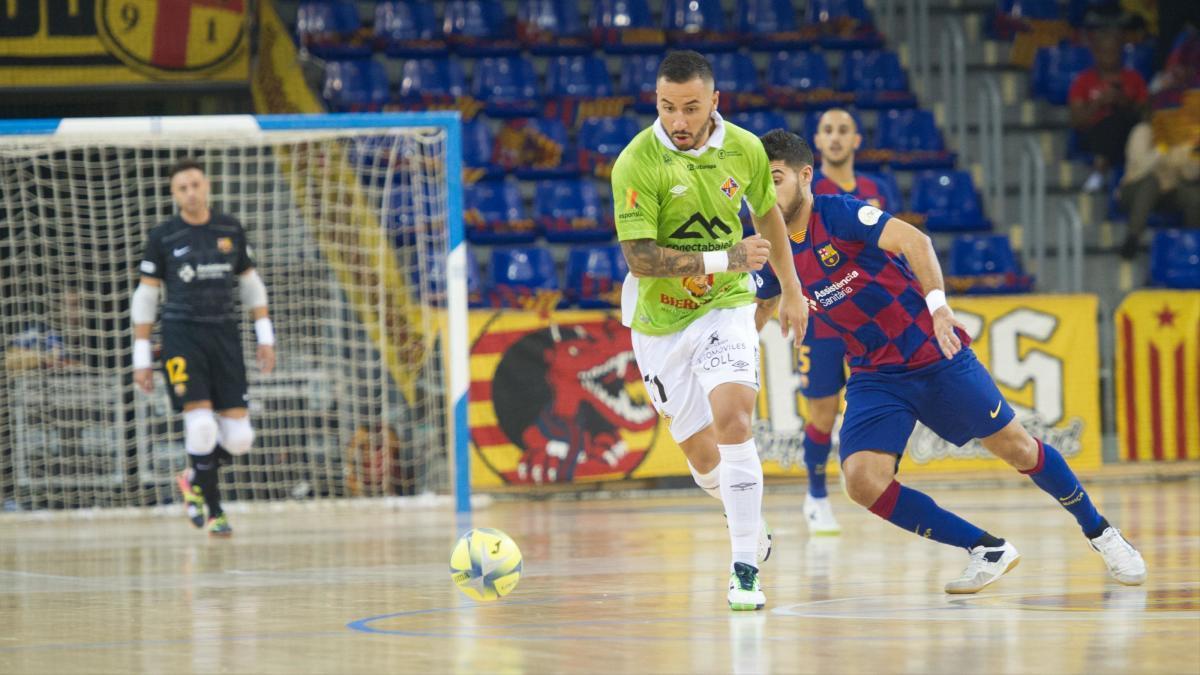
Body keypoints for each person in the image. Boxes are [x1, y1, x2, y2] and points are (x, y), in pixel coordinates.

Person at [753, 130, 1146, 593]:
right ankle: (987, 548)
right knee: (861, 480)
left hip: (933, 353)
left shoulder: (838, 213)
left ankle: (1100, 531)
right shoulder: (769, 248)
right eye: (758, 183)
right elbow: (760, 305)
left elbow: (916, 241)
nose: (766, 193)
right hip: (874, 374)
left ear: (805, 176)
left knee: (1019, 449)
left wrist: (938, 304)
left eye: (774, 178)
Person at [611, 50, 808, 611]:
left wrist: (791, 288)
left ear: (714, 103)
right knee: (703, 460)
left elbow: (767, 212)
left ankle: (744, 565)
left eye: (691, 107)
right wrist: (729, 257)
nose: (678, 119)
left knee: (735, 420)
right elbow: (642, 259)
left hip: (726, 306)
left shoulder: (744, 148)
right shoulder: (636, 162)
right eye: (668, 106)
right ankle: (748, 522)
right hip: (659, 320)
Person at [131, 158, 276, 536]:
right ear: (173, 193)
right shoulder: (163, 236)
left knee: (241, 439)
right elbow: (145, 298)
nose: (191, 192)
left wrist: (266, 337)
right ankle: (214, 510)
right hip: (182, 337)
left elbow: (251, 285)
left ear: (207, 185)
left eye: (195, 184)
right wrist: (141, 357)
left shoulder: (229, 228)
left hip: (225, 336)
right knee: (200, 426)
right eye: (182, 187)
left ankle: (193, 476)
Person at [772, 108, 894, 536]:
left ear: (857, 139)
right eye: (828, 130)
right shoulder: (802, 189)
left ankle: (873, 477)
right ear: (818, 143)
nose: (836, 137)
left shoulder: (876, 189)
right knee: (822, 411)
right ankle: (816, 495)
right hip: (821, 317)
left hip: (869, 317)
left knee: (888, 395)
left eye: (844, 130)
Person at [1069, 14, 1149, 193]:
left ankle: (1100, 168)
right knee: (1110, 123)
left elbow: (1145, 115)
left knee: (1125, 122)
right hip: (1095, 135)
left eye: (1114, 52)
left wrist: (1123, 101)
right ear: (1096, 53)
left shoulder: (1134, 79)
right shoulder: (1083, 81)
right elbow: (1077, 122)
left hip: (1129, 136)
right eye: (1105, 52)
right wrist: (1099, 103)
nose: (1110, 57)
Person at [1116, 117, 1200, 258]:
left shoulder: (1179, 136)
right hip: (1133, 191)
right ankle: (1132, 238)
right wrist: (1161, 149)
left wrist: (1194, 153)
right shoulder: (1141, 131)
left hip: (1166, 193)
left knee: (1193, 195)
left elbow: (1189, 175)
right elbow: (1140, 169)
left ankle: (1191, 243)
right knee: (1151, 182)